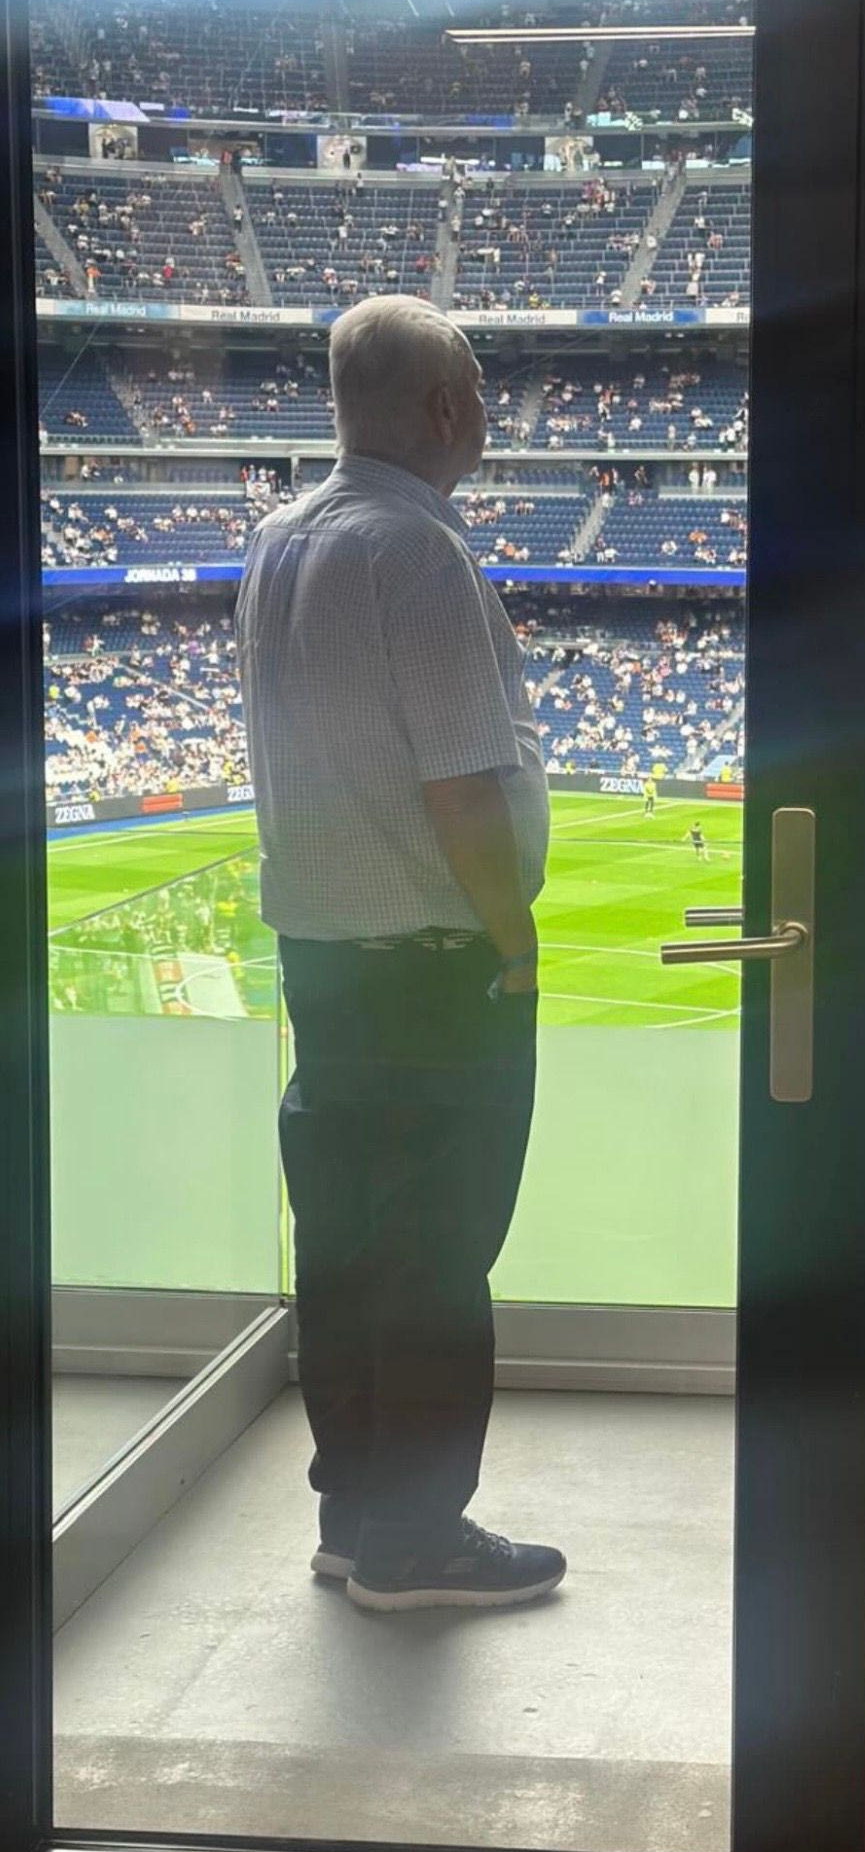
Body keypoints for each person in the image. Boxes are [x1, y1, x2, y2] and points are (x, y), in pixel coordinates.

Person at [234, 295, 565, 1615]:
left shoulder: (277, 539)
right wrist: (514, 937)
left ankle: (357, 1512)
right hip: (433, 965)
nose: (483, 408)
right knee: (436, 1251)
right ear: (443, 406)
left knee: (348, 1246)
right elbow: (465, 788)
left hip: (322, 959)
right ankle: (415, 1541)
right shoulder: (417, 551)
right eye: (476, 387)